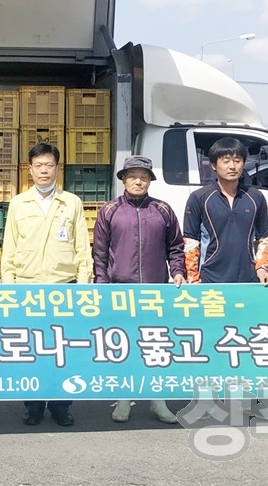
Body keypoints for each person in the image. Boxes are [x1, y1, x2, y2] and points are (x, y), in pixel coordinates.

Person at [183, 138, 268, 418]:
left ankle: (243, 398)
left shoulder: (256, 197)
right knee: (214, 341)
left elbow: (264, 236)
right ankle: (210, 400)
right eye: (226, 160)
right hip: (211, 281)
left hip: (246, 280)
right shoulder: (200, 198)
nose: (232, 165)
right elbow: (190, 241)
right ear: (213, 165)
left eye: (237, 160)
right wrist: (194, 279)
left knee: (244, 340)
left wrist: (262, 267)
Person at [2, 142, 91, 427]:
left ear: (57, 168)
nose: (44, 171)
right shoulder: (19, 203)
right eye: (38, 165)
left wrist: (83, 287)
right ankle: (34, 405)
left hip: (63, 286)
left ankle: (61, 405)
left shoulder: (71, 202)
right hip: (27, 288)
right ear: (29, 169)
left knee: (62, 350)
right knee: (32, 350)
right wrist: (10, 289)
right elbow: (9, 250)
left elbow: (82, 249)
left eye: (49, 165)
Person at [92, 155, 185, 424]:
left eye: (143, 177)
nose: (138, 181)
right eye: (132, 176)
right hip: (121, 291)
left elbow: (176, 247)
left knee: (156, 345)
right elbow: (99, 253)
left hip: (156, 291)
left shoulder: (163, 210)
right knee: (126, 346)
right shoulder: (109, 210)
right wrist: (102, 285)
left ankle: (158, 401)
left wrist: (178, 271)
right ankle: (124, 399)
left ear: (150, 181)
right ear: (123, 179)